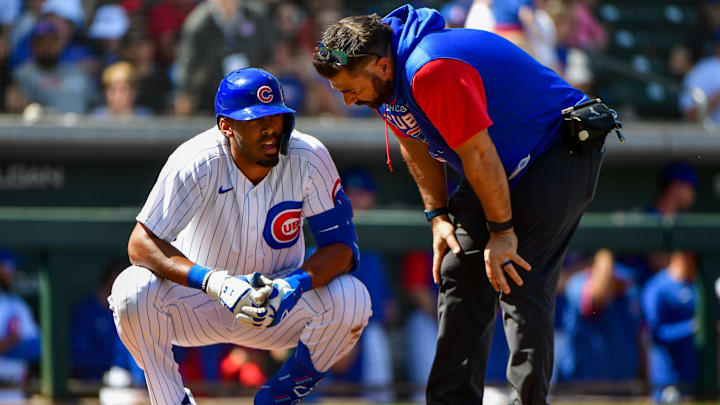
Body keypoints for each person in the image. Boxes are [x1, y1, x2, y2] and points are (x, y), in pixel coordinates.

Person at [313, 4, 615, 404]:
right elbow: (414, 143)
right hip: (501, 161)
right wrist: (438, 216)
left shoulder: (429, 67)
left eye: (350, 89)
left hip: (556, 150)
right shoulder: (388, 77)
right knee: (459, 267)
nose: (348, 101)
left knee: (517, 277)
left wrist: (502, 232)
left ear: (381, 67)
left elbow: (479, 155)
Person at [109, 67, 370, 405]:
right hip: (201, 299)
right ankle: (172, 400)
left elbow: (342, 248)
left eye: (276, 117)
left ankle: (280, 398)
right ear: (226, 126)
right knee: (131, 288)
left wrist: (291, 285)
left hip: (277, 300)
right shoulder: (196, 160)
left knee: (352, 297)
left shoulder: (309, 156)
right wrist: (216, 283)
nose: (270, 129)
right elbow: (140, 243)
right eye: (255, 120)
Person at [556, 249, 642, 383]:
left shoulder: (629, 281)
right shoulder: (578, 283)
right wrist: (605, 252)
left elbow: (640, 338)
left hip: (624, 386)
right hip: (582, 388)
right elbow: (597, 296)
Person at [642, 251, 700, 403]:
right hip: (667, 381)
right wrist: (692, 328)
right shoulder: (657, 288)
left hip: (695, 381)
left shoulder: (699, 286)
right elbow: (655, 334)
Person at [0, 249, 40, 399]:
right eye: (8, 267)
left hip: (13, 388)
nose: (12, 272)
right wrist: (9, 342)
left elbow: (36, 347)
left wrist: (6, 347)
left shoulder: (17, 305)